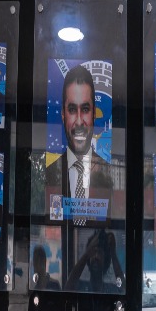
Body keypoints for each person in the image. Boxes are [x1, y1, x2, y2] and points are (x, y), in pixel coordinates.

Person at [45, 65, 113, 221]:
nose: (79, 121)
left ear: (94, 114)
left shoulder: (108, 171)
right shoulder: (49, 171)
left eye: (85, 109)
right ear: (63, 114)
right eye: (72, 110)